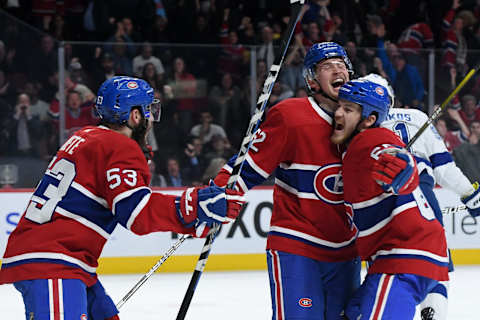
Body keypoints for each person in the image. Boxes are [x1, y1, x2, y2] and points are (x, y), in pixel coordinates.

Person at [0, 76, 245, 320]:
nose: (151, 120)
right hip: (54, 261)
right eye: (149, 111)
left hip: (64, 261)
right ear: (135, 116)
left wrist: (190, 219)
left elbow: (123, 202)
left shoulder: (86, 136)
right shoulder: (119, 146)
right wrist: (193, 205)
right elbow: (135, 212)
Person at [215, 42, 360, 320]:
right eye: (327, 66)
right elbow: (248, 165)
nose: (337, 70)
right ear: (311, 80)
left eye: (342, 65)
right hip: (298, 246)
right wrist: (219, 193)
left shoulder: (364, 121)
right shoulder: (291, 116)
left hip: (346, 251)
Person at [361, 73, 480, 320]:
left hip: (375, 200)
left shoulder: (360, 123)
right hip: (421, 195)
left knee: (385, 267)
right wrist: (469, 194)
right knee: (434, 263)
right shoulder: (417, 117)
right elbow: (444, 168)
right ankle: (432, 312)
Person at [330, 78, 450, 320]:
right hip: (396, 259)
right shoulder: (355, 148)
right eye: (339, 106)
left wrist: (400, 167)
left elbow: (387, 153)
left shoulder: (369, 140)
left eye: (348, 109)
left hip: (403, 258)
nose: (338, 114)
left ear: (369, 120)